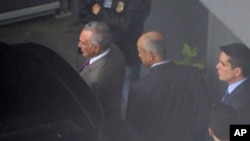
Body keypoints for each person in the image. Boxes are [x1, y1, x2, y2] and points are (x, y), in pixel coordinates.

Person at [126, 31, 210, 141]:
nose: (139, 55)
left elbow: (132, 126)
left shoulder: (139, 88)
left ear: (150, 55)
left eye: (140, 51)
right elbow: (204, 113)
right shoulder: (193, 74)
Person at [78, 0, 151, 117]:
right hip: (98, 50)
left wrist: (100, 12)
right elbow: (85, 9)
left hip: (126, 53)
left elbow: (127, 24)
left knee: (127, 97)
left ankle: (128, 125)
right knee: (93, 88)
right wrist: (93, 35)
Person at [78, 21, 125, 122]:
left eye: (82, 43)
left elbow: (92, 110)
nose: (79, 45)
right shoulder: (114, 49)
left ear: (96, 48)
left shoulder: (96, 80)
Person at [216, 43, 250, 124]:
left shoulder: (241, 105)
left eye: (223, 64)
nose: (217, 66)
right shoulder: (238, 86)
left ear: (237, 72)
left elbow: (242, 132)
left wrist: (222, 137)